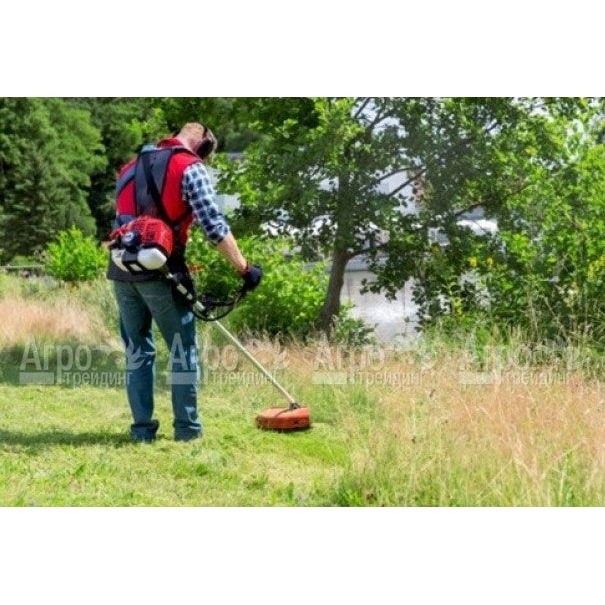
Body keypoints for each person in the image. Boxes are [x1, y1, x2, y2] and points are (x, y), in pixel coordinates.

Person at [107, 123, 262, 442]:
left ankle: (142, 431)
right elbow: (213, 225)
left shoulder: (128, 168)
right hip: (163, 272)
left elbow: (121, 223)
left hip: (122, 270)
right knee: (182, 350)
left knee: (137, 351)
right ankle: (187, 430)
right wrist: (244, 269)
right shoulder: (191, 167)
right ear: (203, 146)